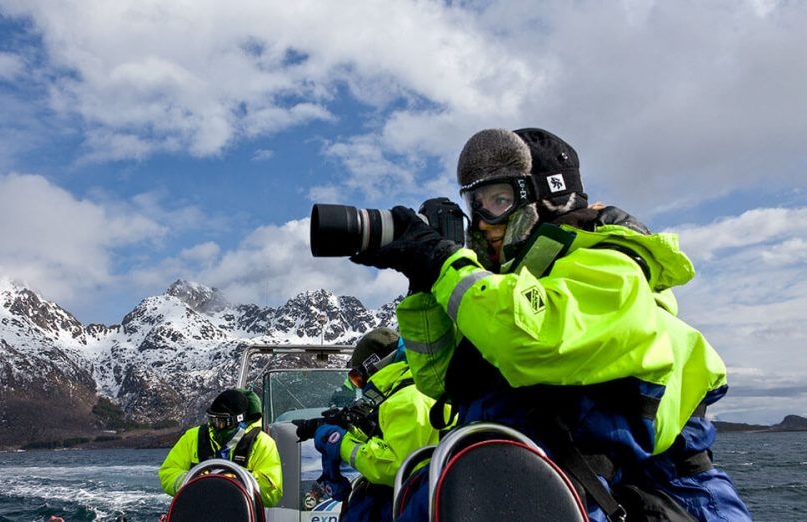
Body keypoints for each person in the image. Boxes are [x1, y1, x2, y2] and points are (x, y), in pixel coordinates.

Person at [351, 127, 751, 521]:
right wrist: (424, 285)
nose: (483, 223)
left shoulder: (612, 268)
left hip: (660, 498)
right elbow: (439, 381)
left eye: (499, 201)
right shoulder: (504, 299)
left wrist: (443, 262)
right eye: (476, 204)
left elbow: (531, 341)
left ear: (546, 201)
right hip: (535, 486)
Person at [310, 327, 447, 522]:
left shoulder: (405, 400)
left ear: (375, 365)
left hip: (411, 503)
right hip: (427, 497)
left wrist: (340, 443)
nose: (361, 385)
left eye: (357, 378)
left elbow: (396, 465)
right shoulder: (416, 390)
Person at [158, 387, 283, 507]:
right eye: (211, 420)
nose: (214, 426)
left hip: (240, 512)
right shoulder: (192, 437)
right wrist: (193, 479)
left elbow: (273, 493)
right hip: (197, 511)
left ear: (237, 421)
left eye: (220, 421)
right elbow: (168, 473)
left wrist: (238, 480)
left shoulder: (263, 443)